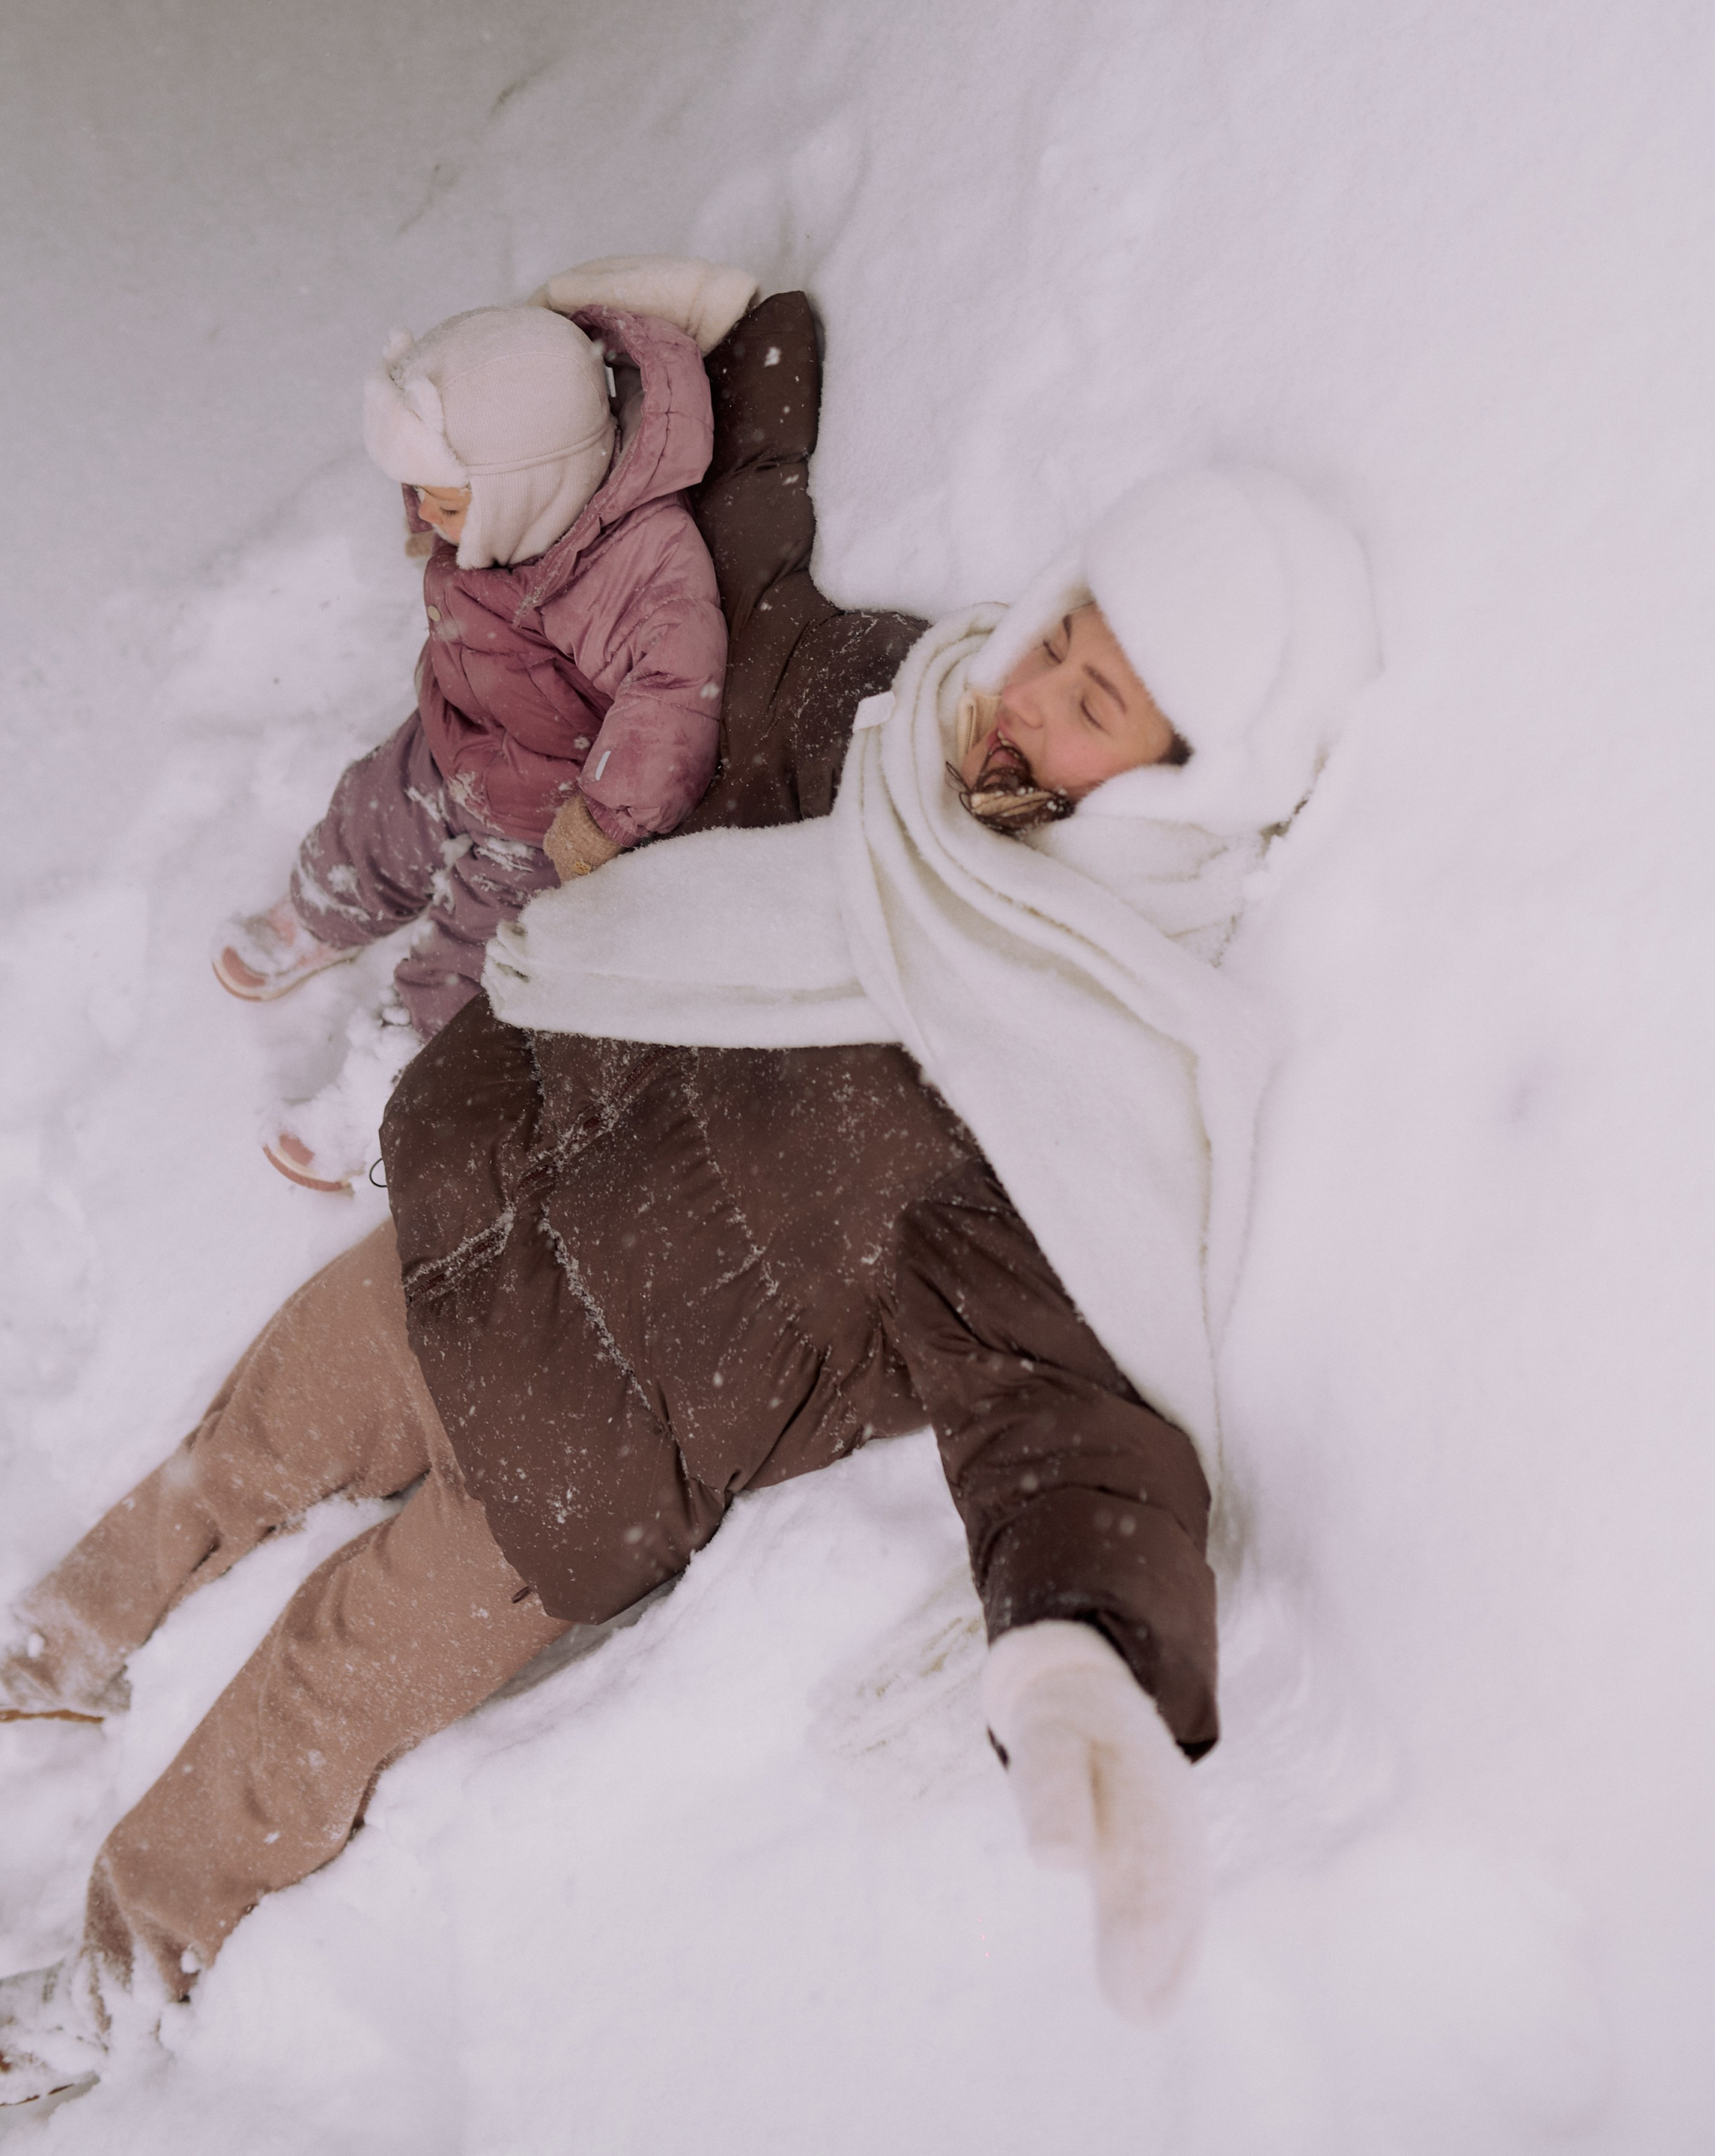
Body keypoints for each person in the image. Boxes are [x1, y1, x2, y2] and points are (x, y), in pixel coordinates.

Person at [0, 293, 1376, 2120]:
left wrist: (1085, 1664)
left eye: (1098, 702)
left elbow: (1065, 1421)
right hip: (477, 1215)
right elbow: (754, 596)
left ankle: (114, 1978)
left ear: (1198, 777)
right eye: (1058, 638)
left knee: (316, 1696)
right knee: (240, 1440)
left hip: (573, 1457)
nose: (1021, 701)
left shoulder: (1065, 1077)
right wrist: (712, 360)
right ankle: (55, 1652)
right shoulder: (892, 722)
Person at [214, 254, 756, 1191]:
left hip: (551, 816)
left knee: (471, 966)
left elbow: (674, 703)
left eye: (444, 498)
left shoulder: (649, 566)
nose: (422, 514)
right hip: (458, 736)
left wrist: (606, 821)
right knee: (375, 808)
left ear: (526, 487)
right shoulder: (510, 509)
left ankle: (385, 1094)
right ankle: (326, 903)